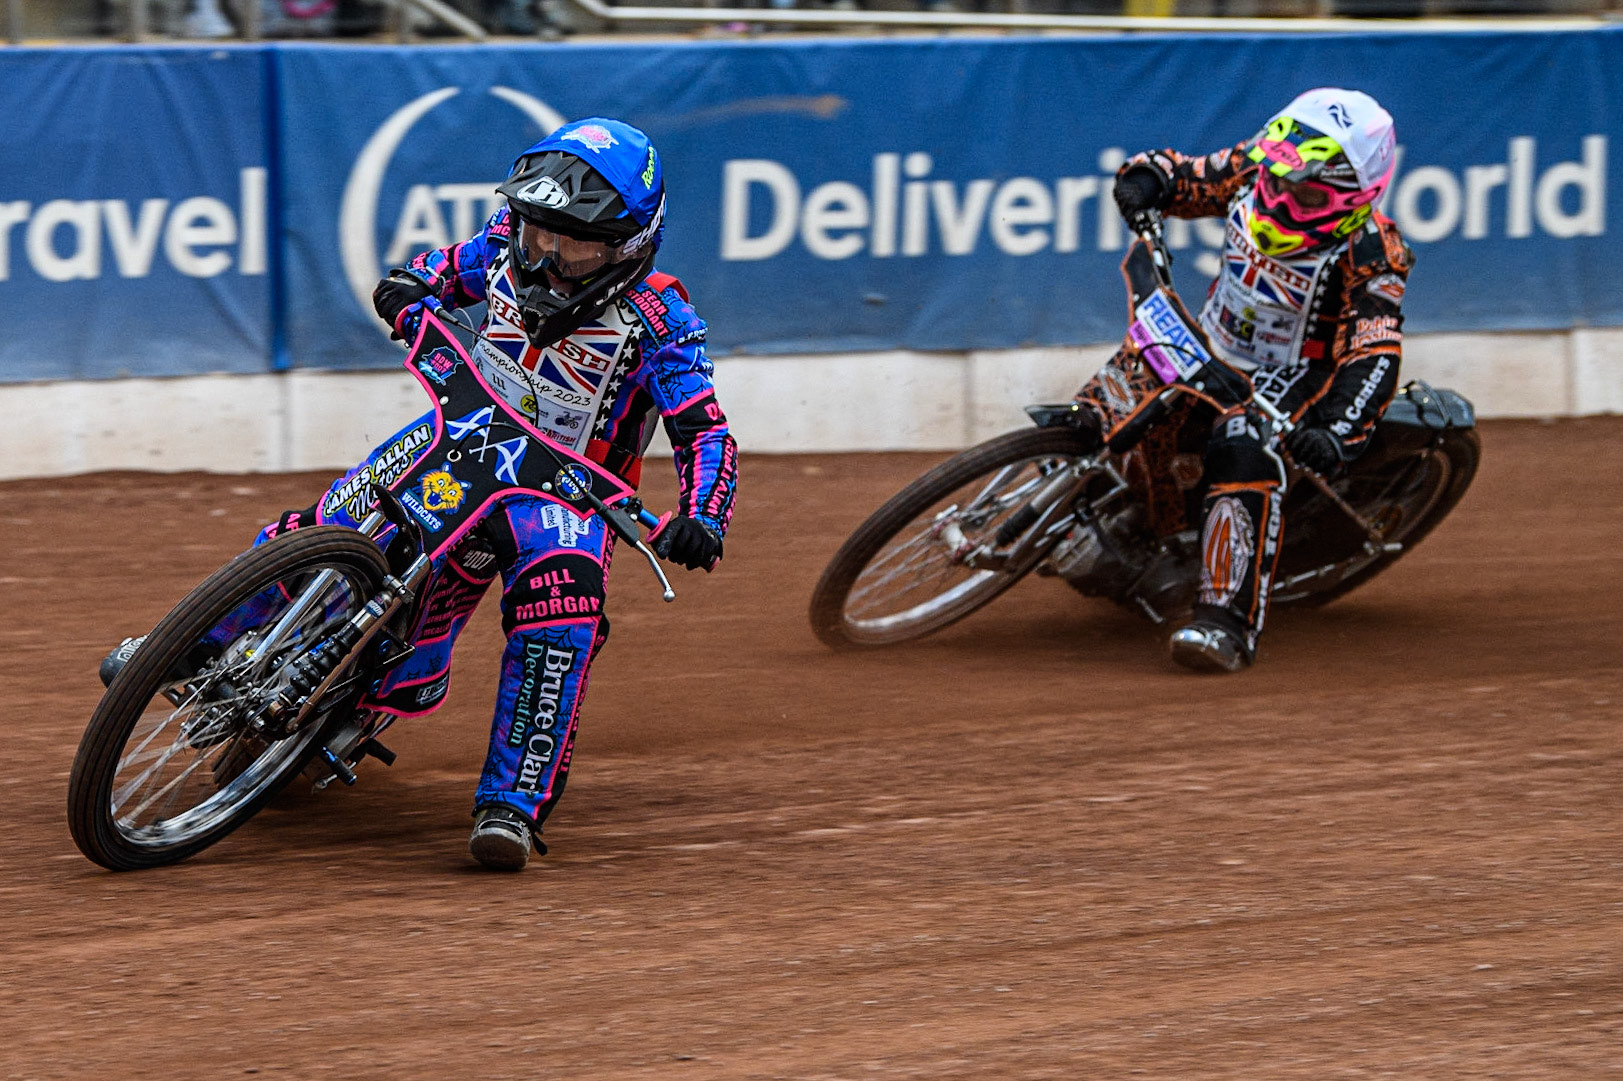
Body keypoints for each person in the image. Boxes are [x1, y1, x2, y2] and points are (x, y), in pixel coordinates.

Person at [103, 118, 738, 870]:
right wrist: (410, 284)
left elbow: (705, 431)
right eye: (538, 234)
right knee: (332, 522)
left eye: (573, 245)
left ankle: (512, 803)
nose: (544, 257)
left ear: (630, 245)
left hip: (562, 496)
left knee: (561, 613)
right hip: (462, 435)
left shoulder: (662, 319)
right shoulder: (508, 239)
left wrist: (703, 514)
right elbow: (445, 268)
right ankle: (183, 645)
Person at [1094, 87, 1411, 673]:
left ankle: (1225, 623)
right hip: (1215, 338)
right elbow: (1187, 176)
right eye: (1280, 181)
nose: (1284, 196)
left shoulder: (1375, 252)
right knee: (1123, 397)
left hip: (1296, 376)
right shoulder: (1257, 168)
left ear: (1357, 195)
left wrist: (1338, 433)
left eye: (1308, 193)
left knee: (1242, 448)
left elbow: (1375, 353)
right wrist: (1145, 182)